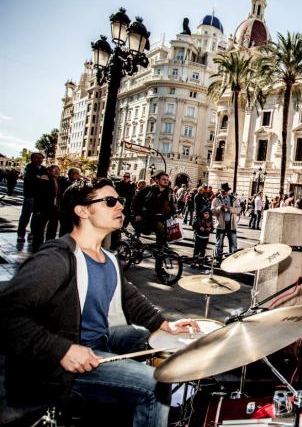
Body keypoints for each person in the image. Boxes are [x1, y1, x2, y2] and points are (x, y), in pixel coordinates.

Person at [0, 178, 199, 426]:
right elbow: (7, 313)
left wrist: (164, 324)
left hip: (99, 341)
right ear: (82, 211)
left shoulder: (107, 257)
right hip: (62, 366)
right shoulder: (57, 258)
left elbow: (130, 296)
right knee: (156, 383)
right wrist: (62, 349)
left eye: (120, 201)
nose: (120, 208)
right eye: (110, 201)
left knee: (144, 335)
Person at [132, 171, 176, 247]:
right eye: (163, 179)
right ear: (157, 181)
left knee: (162, 239)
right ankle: (136, 238)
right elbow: (136, 201)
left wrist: (174, 213)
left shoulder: (169, 192)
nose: (166, 181)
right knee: (160, 228)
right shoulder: (149, 189)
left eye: (167, 179)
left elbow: (171, 205)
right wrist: (137, 214)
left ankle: (160, 252)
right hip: (147, 217)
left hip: (162, 218)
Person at [17, 152, 48, 243]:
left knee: (36, 217)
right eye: (37, 158)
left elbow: (46, 180)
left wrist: (39, 178)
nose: (39, 159)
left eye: (41, 158)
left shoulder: (44, 169)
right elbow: (31, 178)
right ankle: (21, 234)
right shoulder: (29, 167)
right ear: (32, 159)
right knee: (26, 215)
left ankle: (32, 233)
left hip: (40, 197)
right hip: (30, 195)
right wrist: (40, 178)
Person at [31, 164, 61, 252]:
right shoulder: (44, 179)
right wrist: (37, 209)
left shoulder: (60, 180)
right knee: (39, 230)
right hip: (43, 208)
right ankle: (36, 248)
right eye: (54, 170)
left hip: (55, 209)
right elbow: (38, 195)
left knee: (52, 229)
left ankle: (48, 246)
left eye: (58, 170)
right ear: (49, 171)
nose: (57, 172)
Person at [211, 183, 241, 263]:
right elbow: (212, 212)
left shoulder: (234, 199)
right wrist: (220, 208)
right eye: (223, 191)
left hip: (231, 225)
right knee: (219, 243)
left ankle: (232, 261)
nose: (225, 192)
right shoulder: (216, 200)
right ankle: (218, 260)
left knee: (233, 244)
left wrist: (230, 208)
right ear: (220, 191)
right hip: (221, 225)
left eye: (226, 191)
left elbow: (238, 210)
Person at [58, 167, 82, 236]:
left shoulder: (81, 184)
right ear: (68, 174)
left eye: (77, 173)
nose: (75, 175)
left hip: (75, 211)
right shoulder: (63, 182)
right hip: (65, 210)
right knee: (63, 230)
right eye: (73, 173)